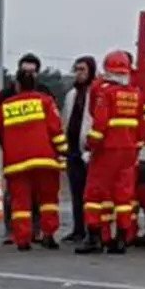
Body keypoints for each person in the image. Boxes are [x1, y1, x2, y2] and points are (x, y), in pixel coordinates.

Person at [0, 67, 67, 251]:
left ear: (17, 85)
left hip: (17, 163)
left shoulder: (6, 106)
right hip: (45, 161)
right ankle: (48, 234)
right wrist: (63, 152)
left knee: (20, 203)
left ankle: (22, 239)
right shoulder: (45, 101)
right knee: (48, 200)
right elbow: (56, 130)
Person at [77, 51, 144, 255]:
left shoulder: (105, 93)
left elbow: (99, 124)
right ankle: (122, 239)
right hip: (129, 150)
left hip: (107, 150)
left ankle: (94, 238)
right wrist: (136, 149)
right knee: (123, 195)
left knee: (94, 194)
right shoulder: (136, 93)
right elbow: (141, 127)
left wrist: (90, 146)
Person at [0, 53, 55, 244]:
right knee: (14, 195)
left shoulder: (45, 93)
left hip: (37, 152)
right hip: (15, 152)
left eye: (33, 71)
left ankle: (35, 231)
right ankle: (13, 231)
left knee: (37, 195)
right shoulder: (6, 95)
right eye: (25, 71)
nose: (30, 74)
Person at [60, 56, 97, 242]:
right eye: (77, 69)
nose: (79, 73)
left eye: (83, 69)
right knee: (76, 191)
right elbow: (66, 120)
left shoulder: (96, 93)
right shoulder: (71, 95)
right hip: (73, 149)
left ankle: (92, 230)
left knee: (91, 194)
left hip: (89, 150)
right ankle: (78, 229)